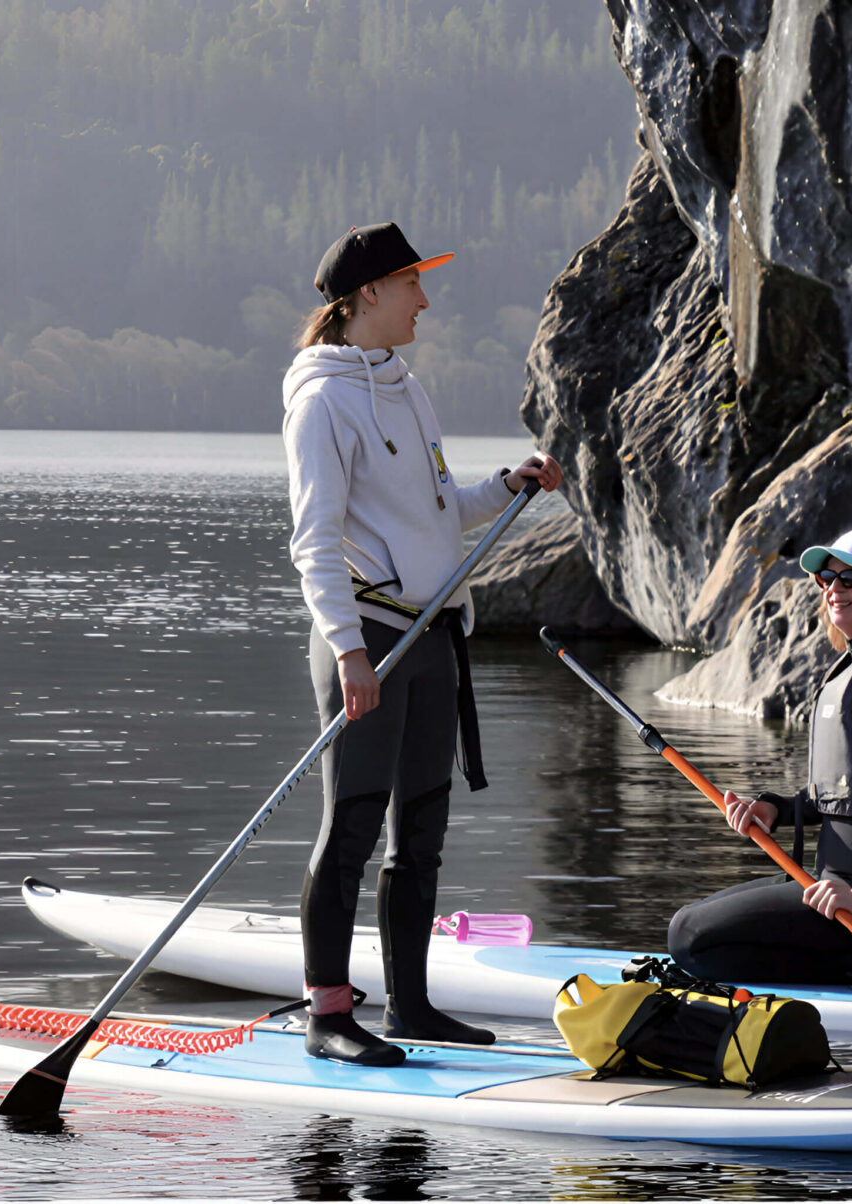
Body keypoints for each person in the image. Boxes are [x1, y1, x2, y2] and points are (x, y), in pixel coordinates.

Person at [282, 222, 563, 1066]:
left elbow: (440, 508)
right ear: (368, 294)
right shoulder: (321, 400)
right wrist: (347, 651)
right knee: (354, 823)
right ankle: (329, 1015)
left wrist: (503, 486)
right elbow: (314, 543)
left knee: (424, 829)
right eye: (412, 284)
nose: (425, 300)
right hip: (368, 638)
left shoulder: (405, 385)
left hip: (436, 633)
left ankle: (410, 1005)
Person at [666, 528, 852, 988]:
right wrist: (775, 808)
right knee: (690, 922)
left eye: (850, 579)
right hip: (831, 884)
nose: (833, 588)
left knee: (691, 938)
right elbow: (848, 791)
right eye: (827, 578)